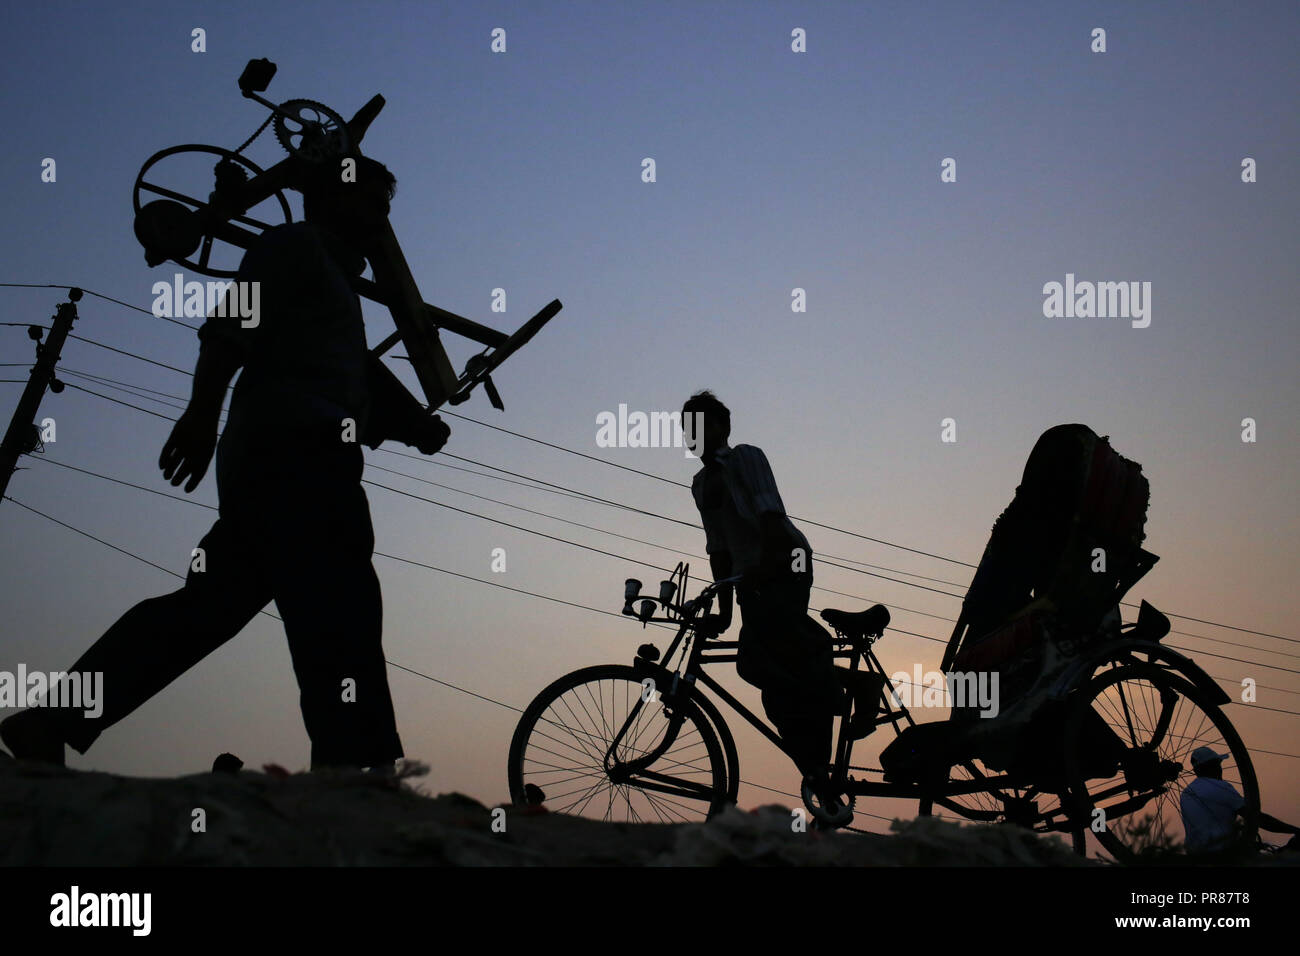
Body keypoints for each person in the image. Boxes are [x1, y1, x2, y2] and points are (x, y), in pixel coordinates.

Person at [1, 156, 450, 772]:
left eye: (386, 207)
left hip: (282, 464)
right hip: (301, 461)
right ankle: (357, 770)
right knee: (340, 607)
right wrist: (200, 412)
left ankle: (52, 721)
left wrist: (413, 424)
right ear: (331, 197)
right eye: (372, 203)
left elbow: (354, 369)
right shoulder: (294, 248)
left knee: (206, 611)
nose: (381, 218)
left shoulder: (332, 282)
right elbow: (235, 326)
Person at [681, 390, 879, 810]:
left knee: (779, 648)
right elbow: (718, 548)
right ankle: (821, 754)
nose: (693, 434)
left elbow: (771, 514)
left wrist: (765, 568)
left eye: (702, 424)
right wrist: (723, 610)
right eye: (687, 427)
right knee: (763, 663)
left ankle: (850, 693)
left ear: (722, 428)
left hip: (785, 559)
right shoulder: (700, 485)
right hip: (749, 576)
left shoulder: (746, 458)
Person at [1180, 746, 1300, 854]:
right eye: (1218, 764)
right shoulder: (1221, 787)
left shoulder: (1185, 793)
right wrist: (1295, 830)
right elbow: (1255, 817)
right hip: (1222, 853)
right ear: (1214, 766)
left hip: (1195, 853)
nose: (1220, 769)